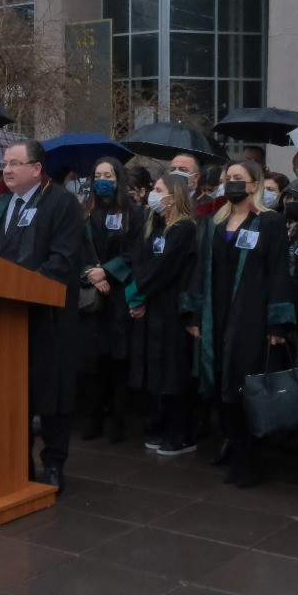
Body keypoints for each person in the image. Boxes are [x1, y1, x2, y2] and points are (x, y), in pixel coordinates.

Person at [0, 139, 86, 491]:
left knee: (51, 393)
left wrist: (20, 286)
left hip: (46, 316)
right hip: (4, 317)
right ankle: (16, 462)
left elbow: (63, 261)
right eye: (5, 163)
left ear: (36, 169)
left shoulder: (62, 203)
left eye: (15, 163)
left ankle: (53, 462)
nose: (6, 170)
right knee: (11, 392)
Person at [187, 159, 296, 488]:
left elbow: (279, 272)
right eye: (227, 178)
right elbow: (201, 270)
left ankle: (251, 459)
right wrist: (194, 315)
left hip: (251, 319)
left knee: (245, 389)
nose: (231, 183)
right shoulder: (213, 222)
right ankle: (235, 447)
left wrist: (278, 325)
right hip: (217, 317)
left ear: (253, 185)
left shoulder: (270, 222)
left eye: (238, 178)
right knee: (222, 387)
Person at [128, 173, 199, 455]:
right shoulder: (156, 225)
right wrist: (139, 296)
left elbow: (163, 268)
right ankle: (166, 424)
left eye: (159, 190)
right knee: (160, 371)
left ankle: (182, 433)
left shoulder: (184, 229)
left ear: (174, 195)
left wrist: (137, 294)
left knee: (175, 371)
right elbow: (142, 261)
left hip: (173, 309)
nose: (153, 195)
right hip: (155, 307)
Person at [78, 157, 147, 443]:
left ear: (118, 179)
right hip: (92, 296)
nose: (102, 179)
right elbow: (76, 248)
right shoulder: (84, 211)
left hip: (119, 297)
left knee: (118, 361)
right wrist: (92, 274)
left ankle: (117, 422)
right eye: (97, 174)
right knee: (94, 363)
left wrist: (108, 271)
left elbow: (135, 252)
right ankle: (93, 420)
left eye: (108, 174)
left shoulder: (133, 213)